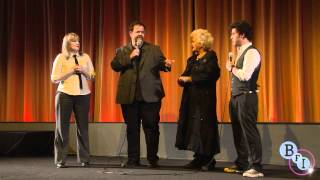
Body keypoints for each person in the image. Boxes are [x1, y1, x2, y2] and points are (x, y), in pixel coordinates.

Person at [111, 21, 174, 168]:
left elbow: (162, 64)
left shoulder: (154, 49)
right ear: (131, 33)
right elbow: (115, 65)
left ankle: (153, 159)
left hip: (150, 96)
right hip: (129, 96)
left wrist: (167, 65)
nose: (140, 34)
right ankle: (133, 160)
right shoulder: (122, 50)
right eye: (137, 31)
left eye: (142, 32)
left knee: (151, 128)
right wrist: (131, 56)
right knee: (132, 129)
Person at [175, 29, 220, 171]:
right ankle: (198, 157)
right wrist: (181, 79)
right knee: (194, 127)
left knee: (205, 128)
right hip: (192, 99)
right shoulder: (193, 59)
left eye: (193, 41)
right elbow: (186, 74)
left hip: (205, 99)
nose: (192, 44)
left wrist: (190, 79)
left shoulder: (211, 57)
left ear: (201, 42)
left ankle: (208, 158)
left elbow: (211, 75)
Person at [225, 21, 264, 177]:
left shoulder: (252, 52)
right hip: (236, 96)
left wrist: (232, 68)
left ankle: (256, 166)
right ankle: (242, 163)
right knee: (238, 132)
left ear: (242, 34)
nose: (231, 37)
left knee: (249, 131)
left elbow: (246, 75)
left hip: (246, 97)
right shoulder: (241, 52)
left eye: (233, 33)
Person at [51, 32, 95, 168]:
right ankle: (60, 160)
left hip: (83, 95)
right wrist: (71, 71)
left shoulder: (85, 57)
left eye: (78, 41)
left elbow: (92, 76)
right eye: (73, 41)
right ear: (67, 44)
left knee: (83, 128)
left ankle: (84, 158)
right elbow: (54, 78)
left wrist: (84, 71)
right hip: (65, 94)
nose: (77, 43)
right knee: (62, 128)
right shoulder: (61, 58)